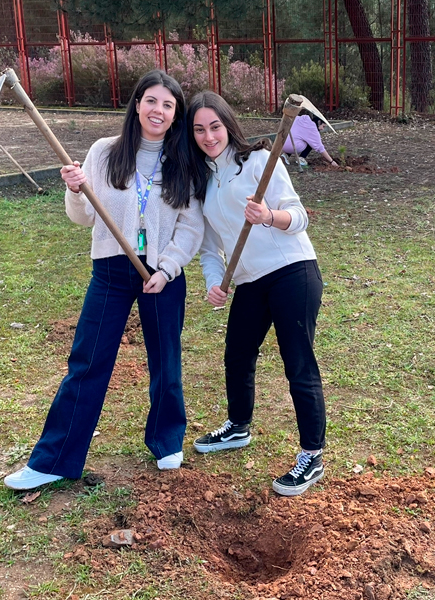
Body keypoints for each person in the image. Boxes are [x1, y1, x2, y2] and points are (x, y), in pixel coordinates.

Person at [4, 70, 204, 490]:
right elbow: (83, 217)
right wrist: (76, 191)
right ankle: (53, 459)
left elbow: (190, 226)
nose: (159, 110)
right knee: (88, 361)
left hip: (162, 276)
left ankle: (167, 441)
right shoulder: (104, 152)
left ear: (175, 114)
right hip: (112, 271)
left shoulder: (185, 161)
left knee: (166, 363)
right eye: (151, 100)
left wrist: (166, 269)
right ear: (137, 104)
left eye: (168, 105)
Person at [187, 91, 328, 497]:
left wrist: (268, 216)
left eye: (215, 126)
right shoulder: (204, 181)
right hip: (249, 281)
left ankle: (312, 455)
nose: (209, 136)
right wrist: (215, 283)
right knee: (237, 354)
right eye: (199, 129)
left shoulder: (259, 162)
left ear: (228, 124)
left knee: (298, 364)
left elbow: (298, 217)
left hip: (292, 272)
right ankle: (238, 427)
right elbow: (209, 247)